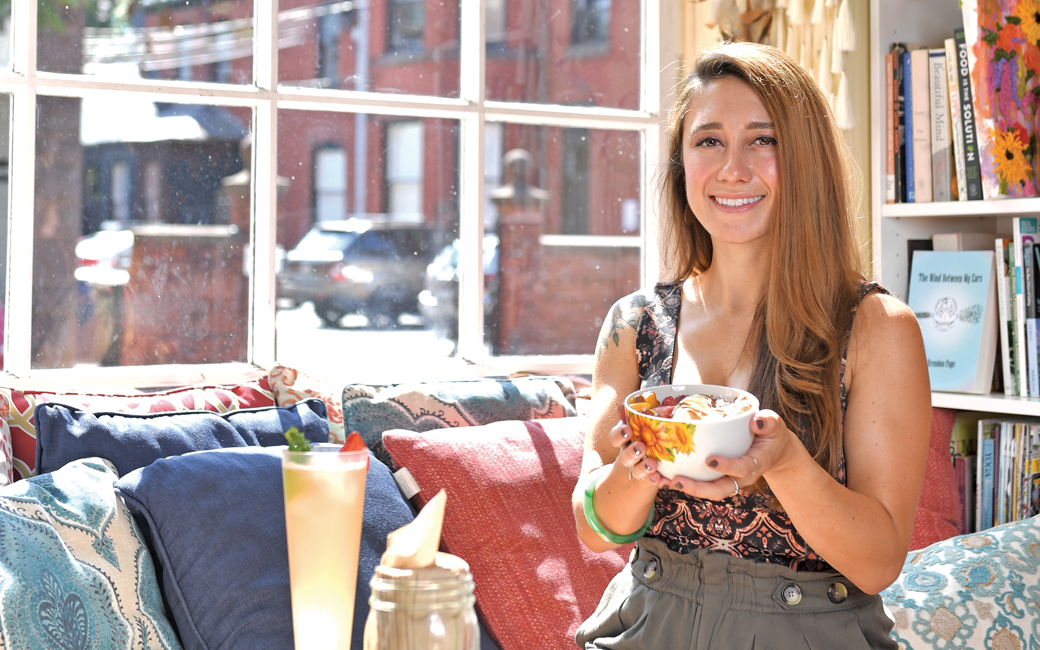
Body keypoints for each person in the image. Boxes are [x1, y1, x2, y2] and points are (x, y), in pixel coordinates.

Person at [571, 41, 931, 649]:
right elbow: (594, 529)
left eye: (763, 140)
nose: (732, 168)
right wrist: (639, 468)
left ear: (806, 161)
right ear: (682, 162)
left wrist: (785, 462)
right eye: (708, 140)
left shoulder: (876, 328)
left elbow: (879, 562)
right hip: (649, 625)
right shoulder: (633, 324)